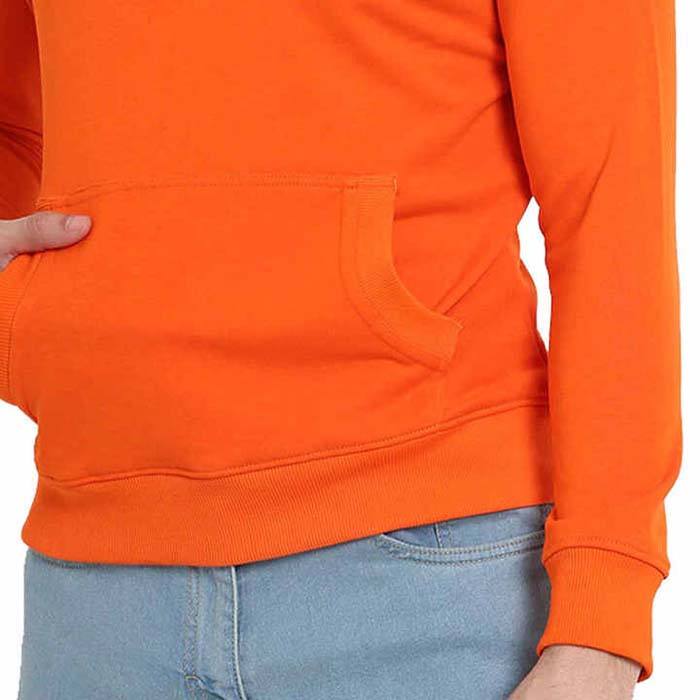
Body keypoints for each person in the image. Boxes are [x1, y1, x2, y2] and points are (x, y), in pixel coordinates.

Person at [0, 1, 680, 698]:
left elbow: (612, 209)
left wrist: (603, 622)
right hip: (91, 585)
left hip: (429, 567)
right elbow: (16, 124)